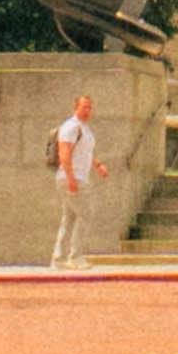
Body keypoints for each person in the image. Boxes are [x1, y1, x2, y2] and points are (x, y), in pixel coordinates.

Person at [47, 90, 104, 269]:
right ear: (76, 108)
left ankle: (58, 259)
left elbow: (85, 152)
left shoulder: (83, 128)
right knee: (86, 214)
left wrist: (97, 165)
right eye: (84, 107)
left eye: (89, 107)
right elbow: (64, 153)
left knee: (70, 218)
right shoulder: (71, 127)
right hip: (72, 178)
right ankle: (75, 256)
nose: (87, 111)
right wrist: (71, 179)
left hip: (77, 177)